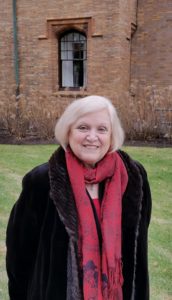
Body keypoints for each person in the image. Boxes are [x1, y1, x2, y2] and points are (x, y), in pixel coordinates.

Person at [6, 95, 152, 300]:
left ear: (112, 136)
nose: (92, 137)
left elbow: (139, 245)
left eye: (102, 129)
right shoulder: (41, 182)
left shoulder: (134, 178)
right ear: (67, 132)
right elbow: (18, 256)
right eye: (83, 128)